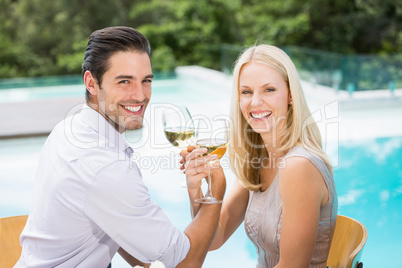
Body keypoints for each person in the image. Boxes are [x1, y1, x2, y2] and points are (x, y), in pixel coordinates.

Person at [15, 26, 225, 268]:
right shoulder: (104, 166)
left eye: (146, 81)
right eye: (124, 81)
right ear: (91, 83)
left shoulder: (69, 129)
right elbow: (186, 263)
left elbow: (117, 224)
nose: (139, 95)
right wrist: (215, 192)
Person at [181, 44, 338, 267]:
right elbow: (214, 238)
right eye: (246, 92)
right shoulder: (257, 162)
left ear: (291, 95)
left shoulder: (298, 166)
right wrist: (199, 188)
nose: (255, 102)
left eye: (269, 90)